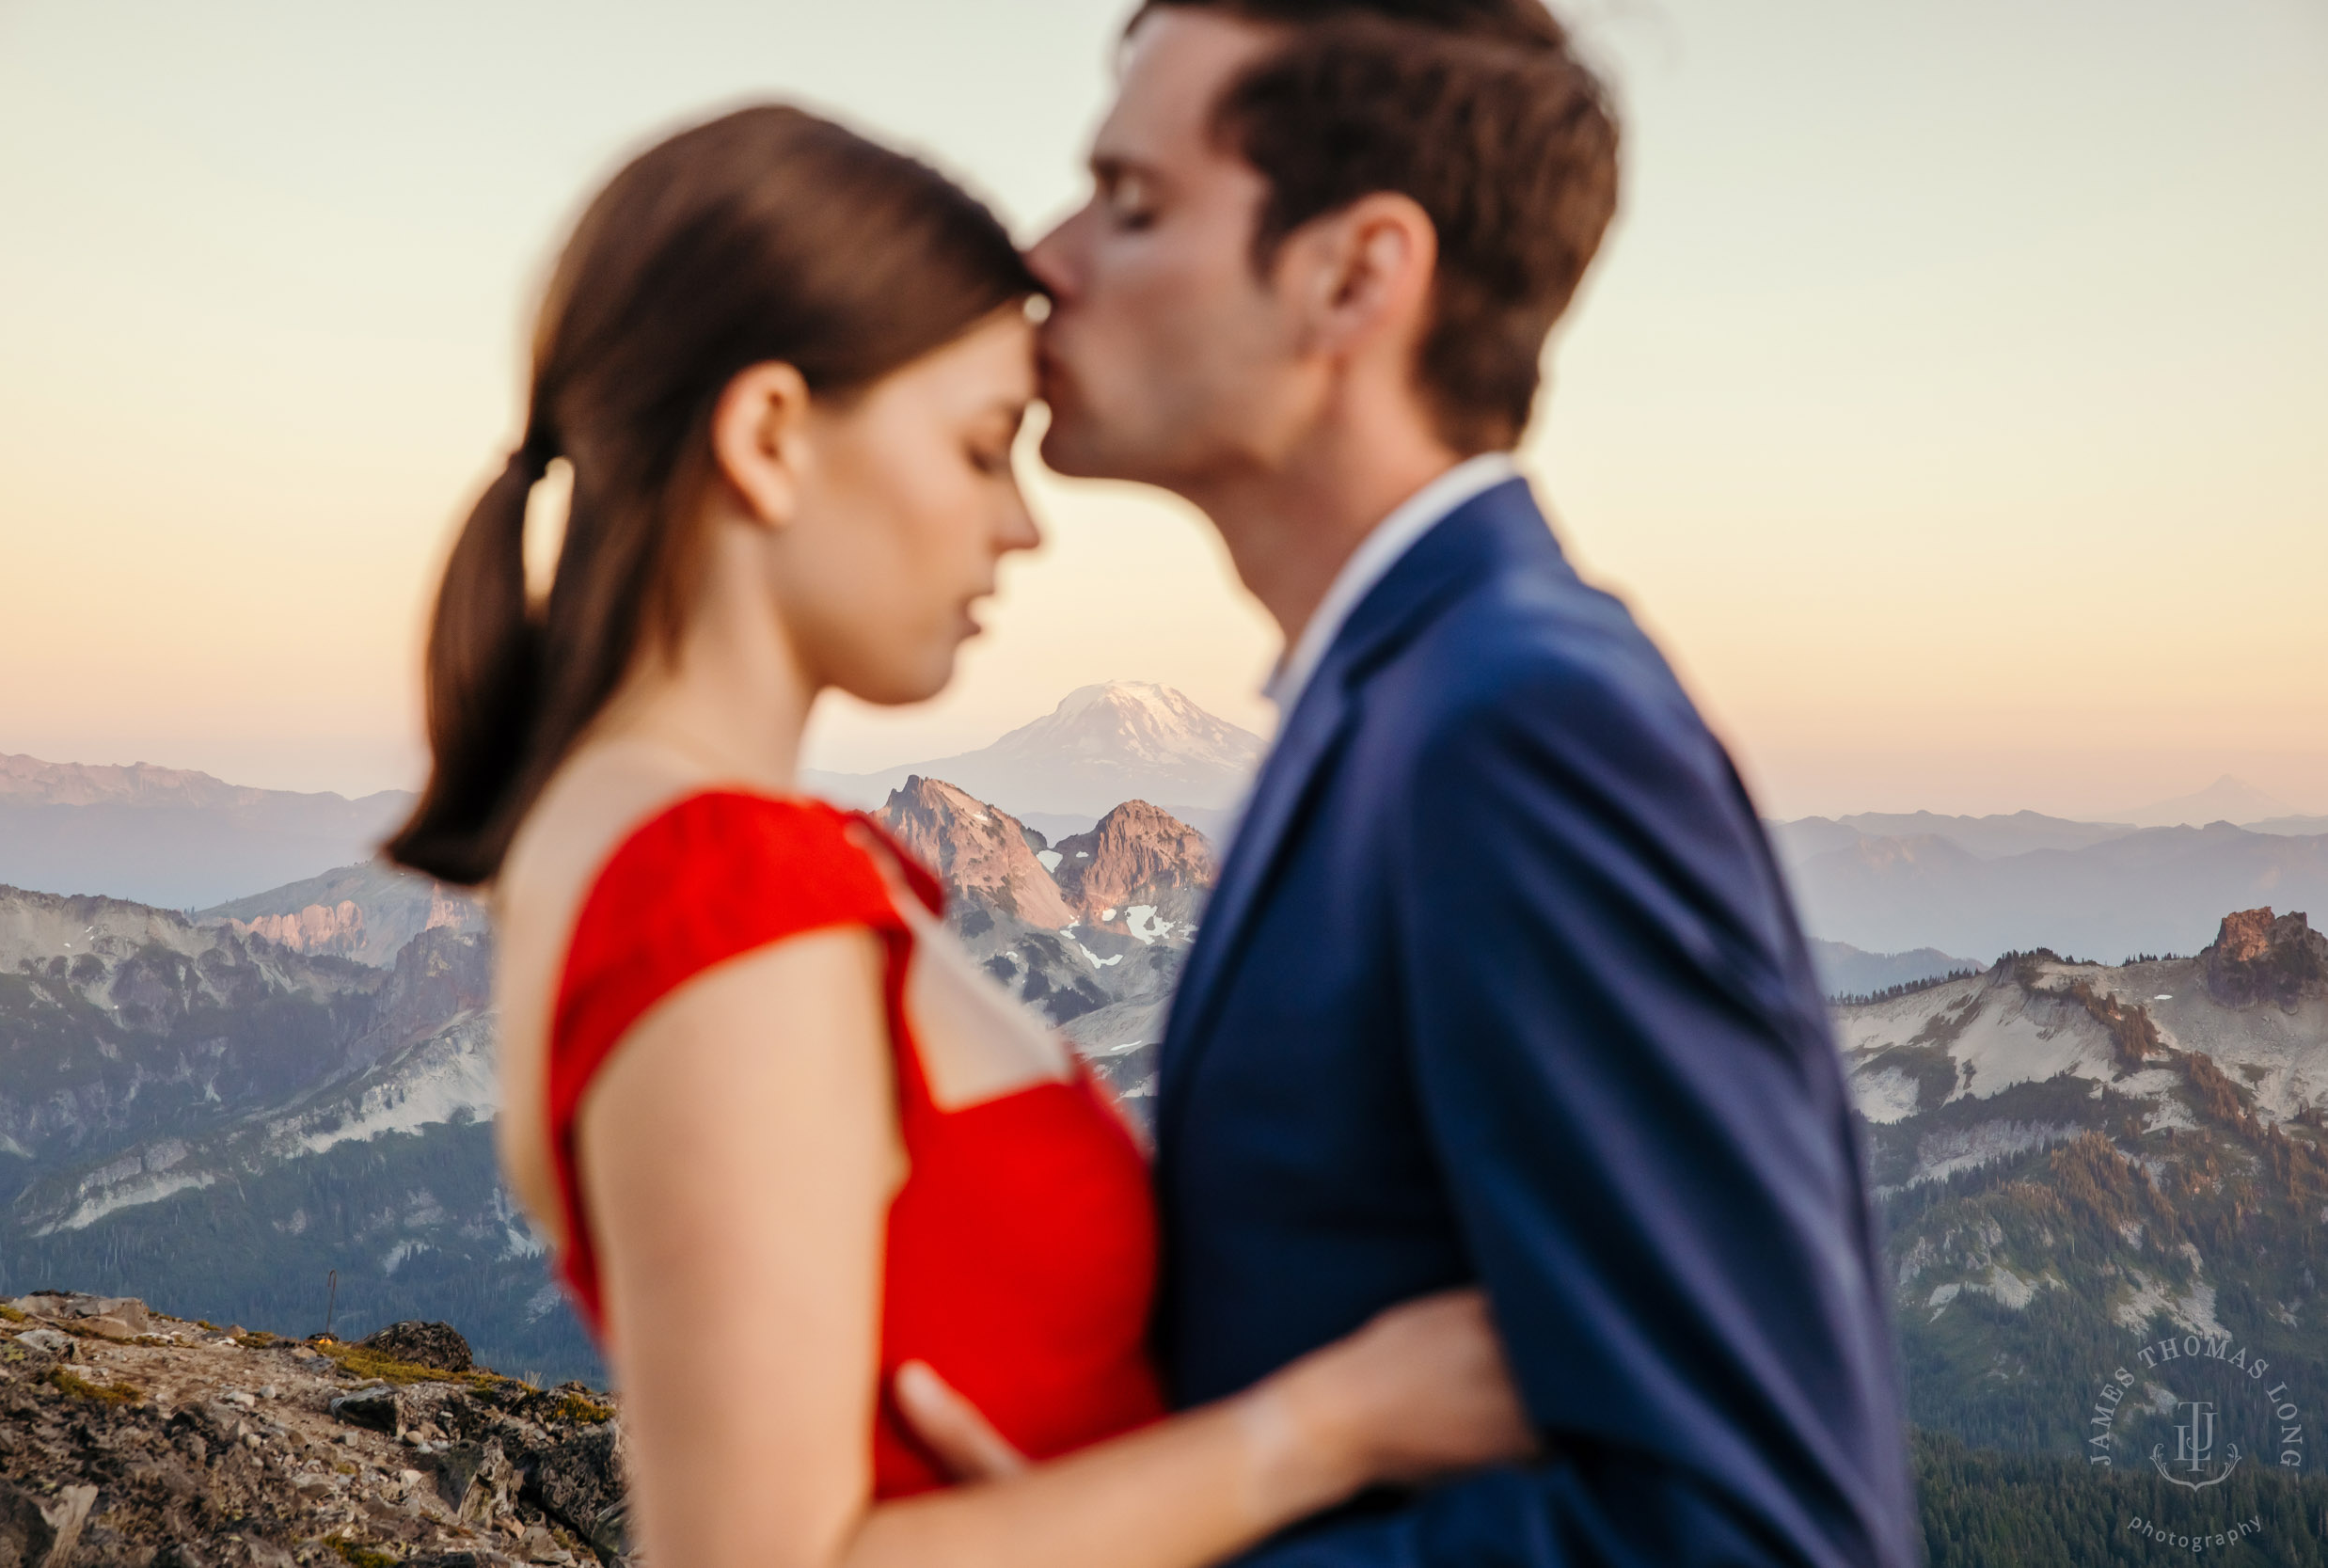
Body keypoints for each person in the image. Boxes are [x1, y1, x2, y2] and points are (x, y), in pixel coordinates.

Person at [385, 104, 1537, 1568]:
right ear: (772, 435)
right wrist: (1323, 1431)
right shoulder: (715, 883)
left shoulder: (685, 851)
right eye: (985, 448)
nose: (1021, 526)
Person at [1022, 2, 1919, 1563]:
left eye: (1135, 202)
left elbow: (1762, 1532)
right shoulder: (1404, 691)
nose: (1048, 255)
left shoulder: (1522, 720)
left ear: (1357, 273)